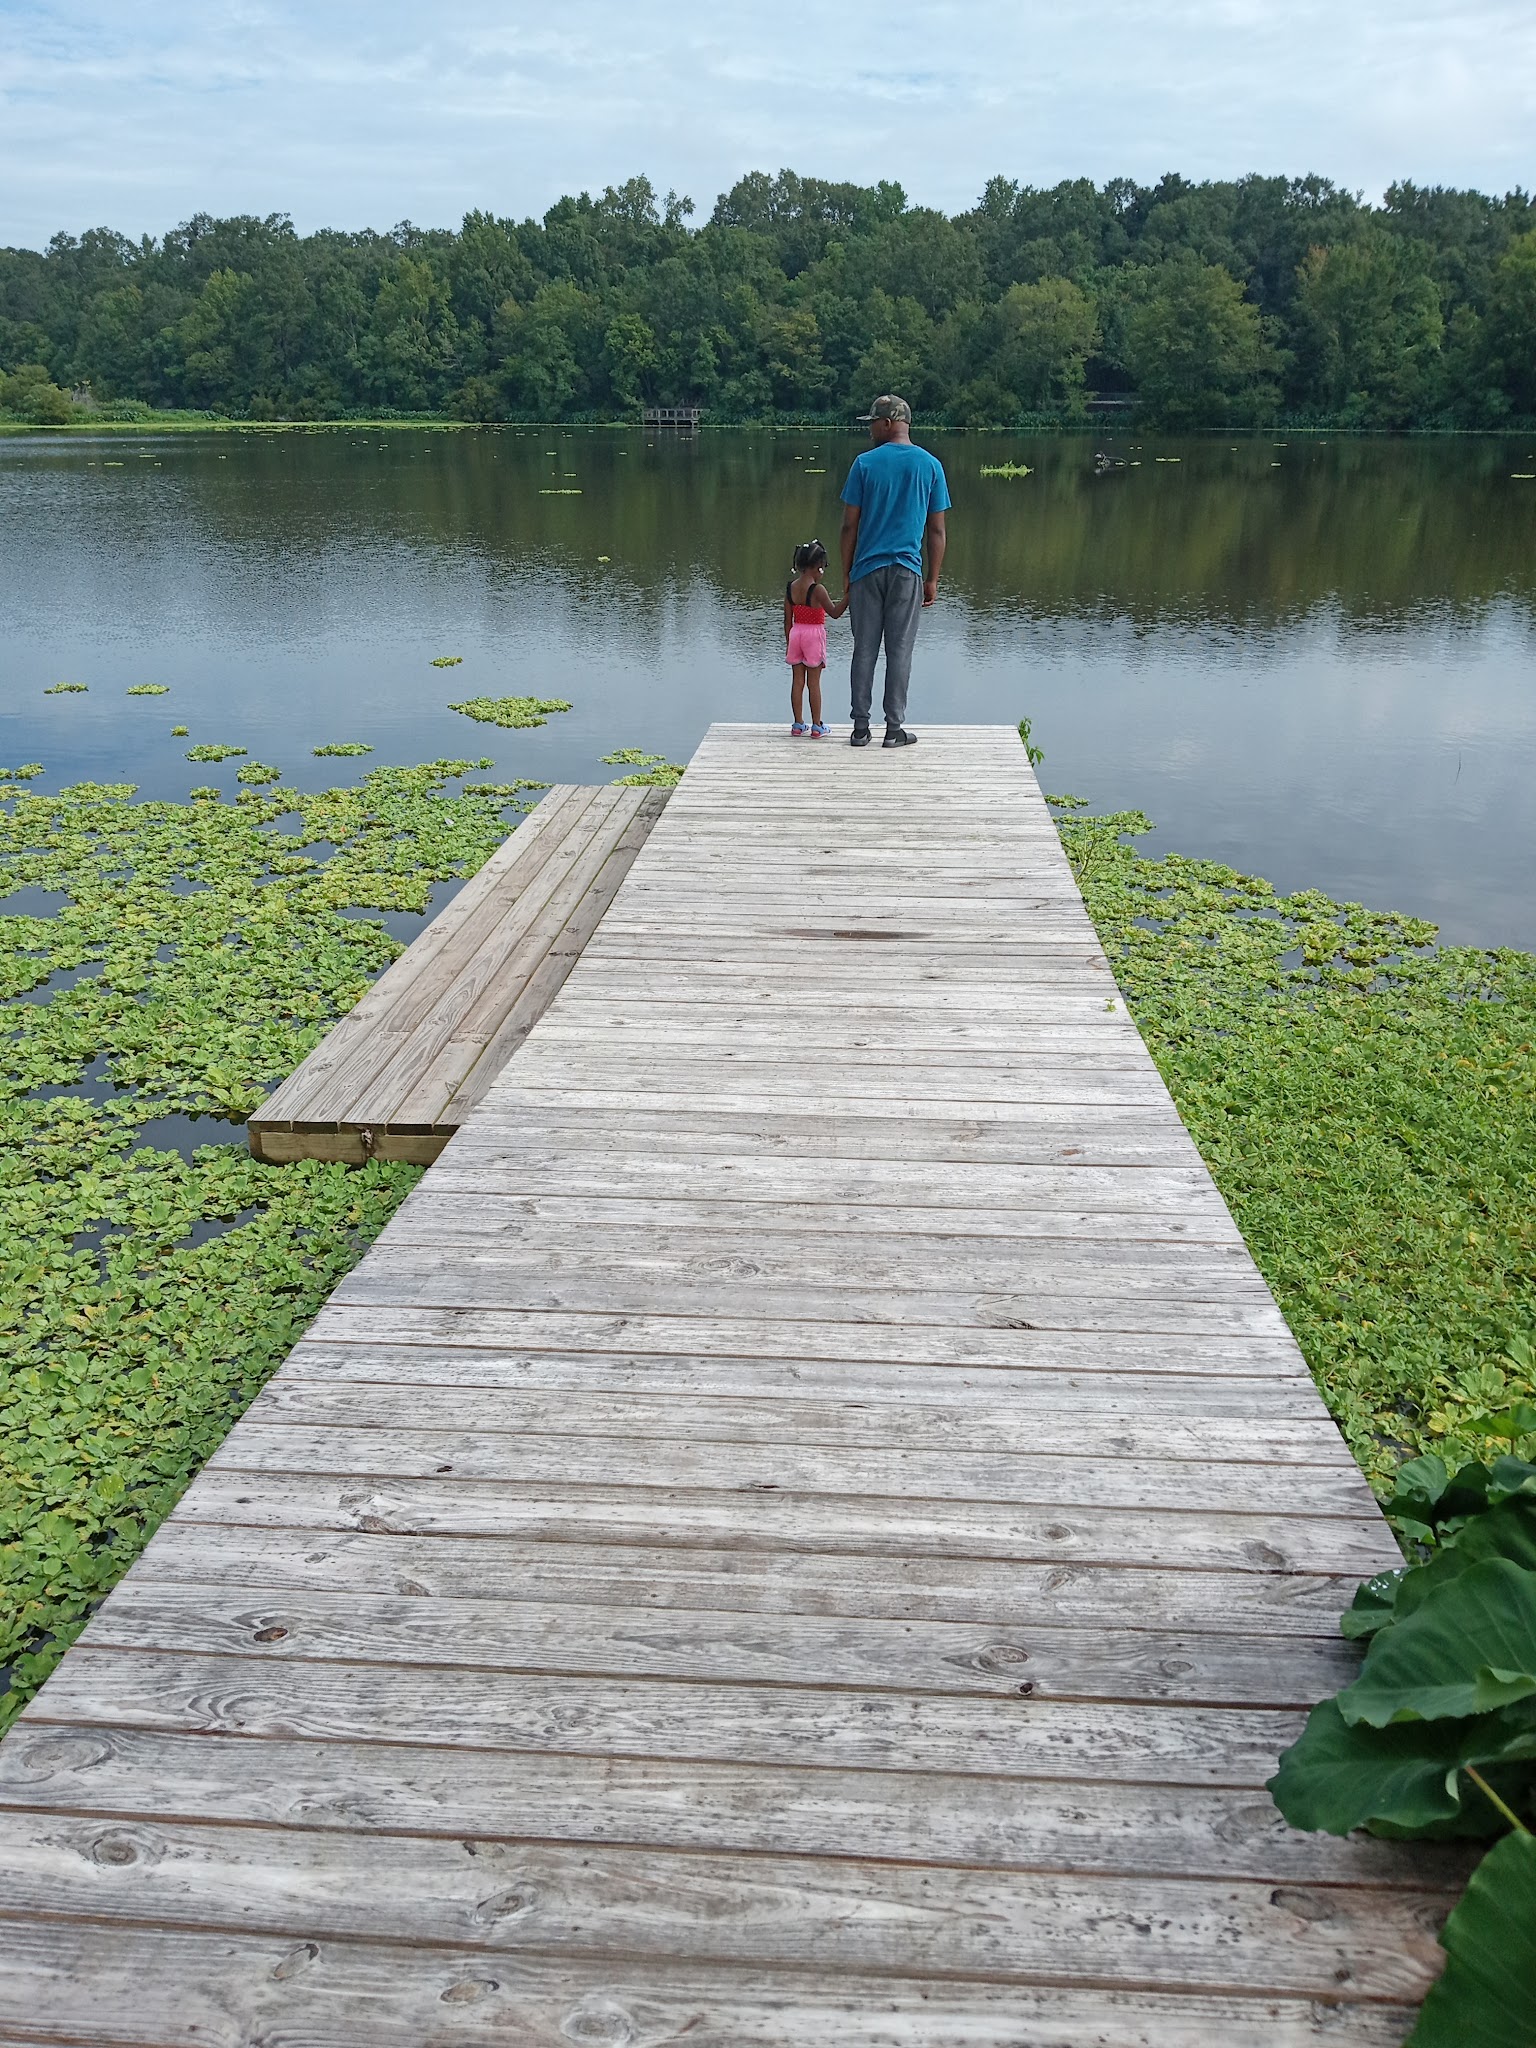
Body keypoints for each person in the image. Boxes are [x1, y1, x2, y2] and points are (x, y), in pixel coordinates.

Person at [838, 394, 950, 748]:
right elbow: (936, 531)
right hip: (906, 571)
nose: (870, 429)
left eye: (873, 422)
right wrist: (932, 578)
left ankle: (859, 729)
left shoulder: (864, 464)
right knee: (900, 651)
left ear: (888, 423)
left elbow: (848, 527)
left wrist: (847, 573)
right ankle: (893, 730)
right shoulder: (930, 465)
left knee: (864, 649)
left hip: (867, 571)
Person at [782, 538, 847, 737]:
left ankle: (798, 724)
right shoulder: (817, 590)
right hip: (813, 635)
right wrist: (849, 596)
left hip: (795, 634)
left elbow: (787, 620)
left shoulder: (790, 587)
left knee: (797, 682)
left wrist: (789, 642)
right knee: (814, 683)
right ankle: (817, 726)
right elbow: (834, 613)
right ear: (817, 567)